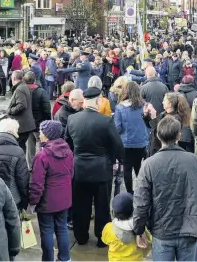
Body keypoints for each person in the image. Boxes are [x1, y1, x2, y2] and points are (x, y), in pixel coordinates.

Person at [133, 116, 197, 261]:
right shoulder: (194, 160)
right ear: (179, 135)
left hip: (162, 230)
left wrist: (139, 230)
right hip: (189, 230)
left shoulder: (149, 164)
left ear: (158, 135)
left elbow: (141, 203)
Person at [66, 86, 125, 248]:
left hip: (79, 170)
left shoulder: (72, 120)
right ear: (98, 101)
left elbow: (67, 143)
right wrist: (120, 160)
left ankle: (81, 236)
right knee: (102, 206)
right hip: (102, 170)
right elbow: (118, 145)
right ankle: (101, 237)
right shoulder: (106, 121)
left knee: (80, 205)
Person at [29, 120, 74, 262]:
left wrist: (32, 202)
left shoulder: (42, 156)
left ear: (48, 135)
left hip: (47, 202)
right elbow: (71, 174)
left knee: (47, 231)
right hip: (64, 199)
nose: (40, 135)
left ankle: (48, 259)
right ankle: (65, 258)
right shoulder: (68, 151)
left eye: (42, 132)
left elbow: (37, 183)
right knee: (62, 229)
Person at [114, 81, 150, 195]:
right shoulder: (143, 105)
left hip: (126, 143)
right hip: (141, 142)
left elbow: (117, 128)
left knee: (127, 169)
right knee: (139, 167)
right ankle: (141, 191)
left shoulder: (120, 108)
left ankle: (130, 192)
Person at [101, 192, 150, 261]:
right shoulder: (141, 229)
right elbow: (148, 244)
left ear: (113, 212)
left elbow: (105, 240)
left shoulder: (108, 228)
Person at [7, 70, 37, 164]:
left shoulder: (20, 89)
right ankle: (22, 164)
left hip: (22, 125)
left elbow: (22, 105)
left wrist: (10, 111)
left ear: (14, 78)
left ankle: (19, 165)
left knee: (18, 146)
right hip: (26, 124)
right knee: (21, 146)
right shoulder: (24, 86)